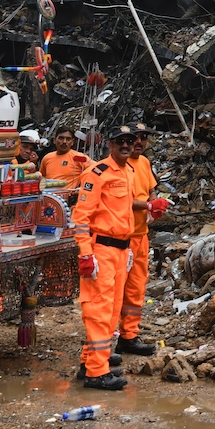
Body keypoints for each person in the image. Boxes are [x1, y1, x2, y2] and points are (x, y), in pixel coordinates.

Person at [70, 125, 137, 390]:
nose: (126, 145)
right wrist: (86, 254)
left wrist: (128, 248)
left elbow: (122, 215)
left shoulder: (128, 171)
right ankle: (97, 373)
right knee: (98, 310)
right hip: (101, 251)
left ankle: (90, 362)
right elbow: (81, 217)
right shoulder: (97, 173)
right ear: (110, 144)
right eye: (121, 141)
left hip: (120, 251)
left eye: (130, 142)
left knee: (110, 311)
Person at [116, 122, 170, 356]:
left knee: (136, 289)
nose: (138, 142)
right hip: (119, 238)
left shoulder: (145, 163)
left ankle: (129, 336)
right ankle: (105, 341)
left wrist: (155, 205)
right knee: (115, 290)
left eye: (142, 138)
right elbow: (119, 200)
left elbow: (151, 190)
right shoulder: (118, 166)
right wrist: (148, 205)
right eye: (133, 138)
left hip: (141, 235)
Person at [40, 126, 90, 191]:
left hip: (69, 198)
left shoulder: (79, 157)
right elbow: (42, 179)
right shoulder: (47, 158)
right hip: (49, 198)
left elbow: (97, 171)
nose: (64, 142)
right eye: (61, 138)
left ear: (72, 142)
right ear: (54, 140)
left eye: (68, 139)